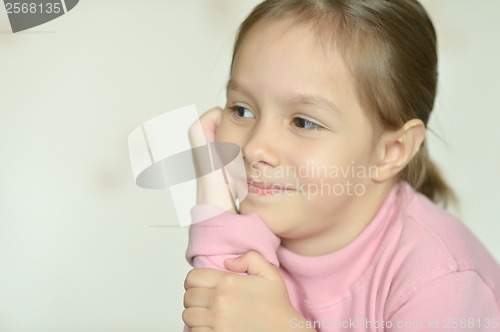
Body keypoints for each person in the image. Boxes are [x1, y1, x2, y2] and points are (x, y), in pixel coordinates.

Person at [182, 0, 500, 331]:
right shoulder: (264, 228)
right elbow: (217, 317)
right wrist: (214, 198)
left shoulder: (440, 280)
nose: (255, 147)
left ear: (390, 151)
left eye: (303, 123)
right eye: (241, 110)